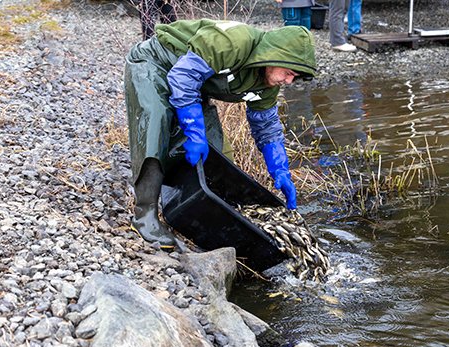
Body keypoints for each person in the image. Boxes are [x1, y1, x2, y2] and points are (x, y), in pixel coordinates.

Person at [124, 19, 317, 249]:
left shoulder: (268, 84)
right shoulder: (234, 43)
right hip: (155, 64)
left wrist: (280, 169)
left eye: (294, 77)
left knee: (217, 151)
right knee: (155, 127)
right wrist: (194, 133)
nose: (288, 81)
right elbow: (183, 78)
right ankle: (144, 216)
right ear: (274, 56)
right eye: (288, 72)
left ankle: (197, 217)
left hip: (193, 85)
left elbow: (266, 126)